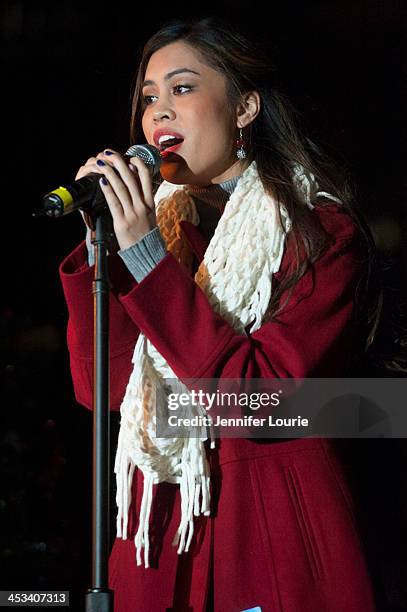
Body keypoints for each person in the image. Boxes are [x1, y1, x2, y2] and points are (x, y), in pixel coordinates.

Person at [59, 17, 380, 612]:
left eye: (182, 89)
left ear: (245, 107)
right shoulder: (161, 231)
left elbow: (266, 398)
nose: (159, 111)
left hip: (265, 536)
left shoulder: (318, 230)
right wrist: (107, 245)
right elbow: (103, 390)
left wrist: (149, 260)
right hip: (162, 537)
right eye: (149, 97)